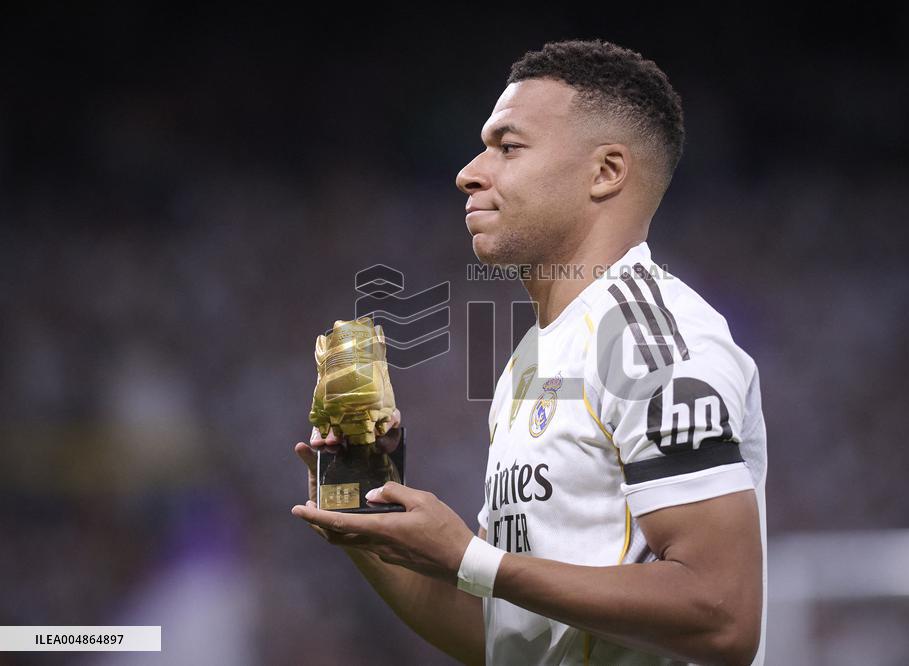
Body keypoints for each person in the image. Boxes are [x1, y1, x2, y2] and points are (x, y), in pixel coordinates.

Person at [292, 38, 767, 666]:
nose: (469, 172)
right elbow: (504, 635)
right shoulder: (531, 361)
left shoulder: (653, 341)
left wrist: (470, 557)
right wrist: (369, 525)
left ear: (606, 172)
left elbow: (723, 616)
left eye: (508, 147)